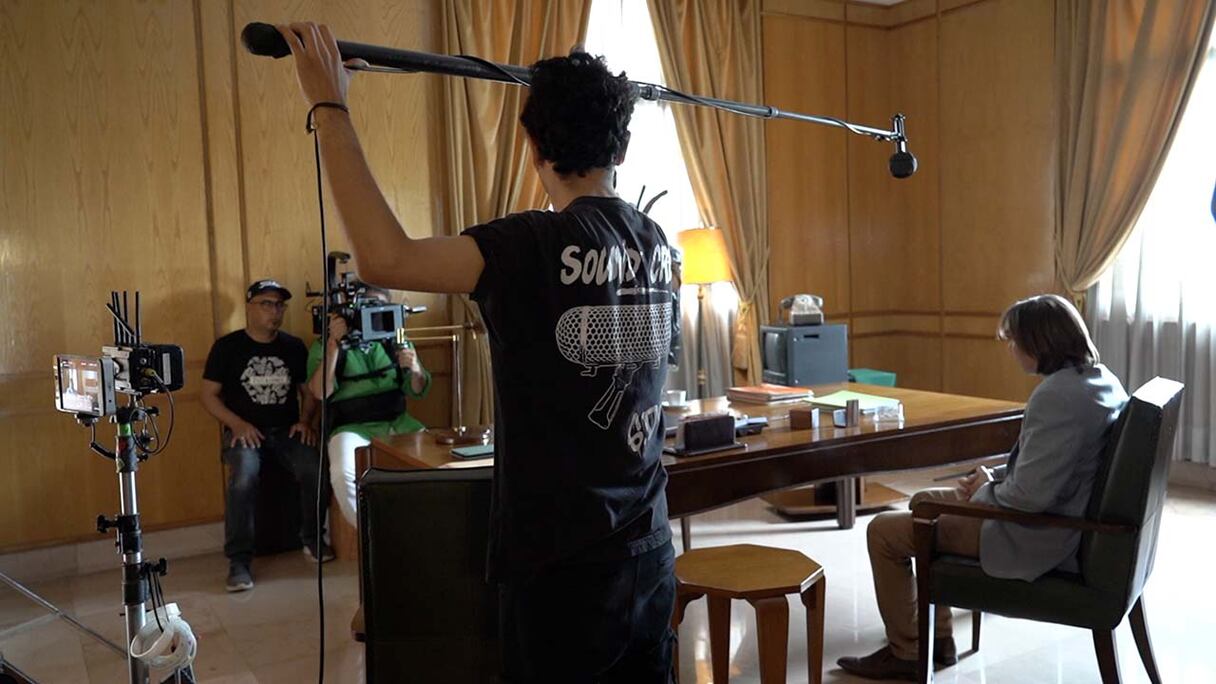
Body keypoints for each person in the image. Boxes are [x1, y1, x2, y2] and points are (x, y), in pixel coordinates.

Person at [277, 22, 677, 681]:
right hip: (650, 549)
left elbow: (385, 258)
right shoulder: (659, 242)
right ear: (623, 146)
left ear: (532, 145)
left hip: (563, 565)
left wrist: (329, 105)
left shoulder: (530, 244)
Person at [838, 294, 1129, 680]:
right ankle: (937, 638)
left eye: (1015, 340)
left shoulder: (1057, 397)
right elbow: (1055, 466)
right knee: (923, 501)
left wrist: (986, 490)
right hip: (1060, 515)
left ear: (1038, 343)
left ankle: (908, 653)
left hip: (1037, 532)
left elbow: (1029, 497)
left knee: (883, 532)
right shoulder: (1099, 381)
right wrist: (993, 476)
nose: (1011, 349)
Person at [200, 279, 333, 593]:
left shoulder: (293, 346)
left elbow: (308, 392)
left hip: (287, 431)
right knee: (243, 477)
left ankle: (312, 539)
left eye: (279, 305)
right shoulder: (227, 347)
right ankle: (239, 560)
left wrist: (305, 421)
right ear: (249, 307)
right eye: (266, 304)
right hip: (245, 433)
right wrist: (237, 424)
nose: (275, 311)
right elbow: (208, 395)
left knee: (314, 467)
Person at [306, 286, 431, 526]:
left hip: (397, 421)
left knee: (432, 463)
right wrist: (333, 346)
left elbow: (417, 390)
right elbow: (320, 392)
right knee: (342, 474)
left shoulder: (396, 337)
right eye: (366, 307)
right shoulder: (326, 344)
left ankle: (421, 526)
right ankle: (371, 530)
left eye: (380, 307)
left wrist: (415, 369)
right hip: (351, 425)